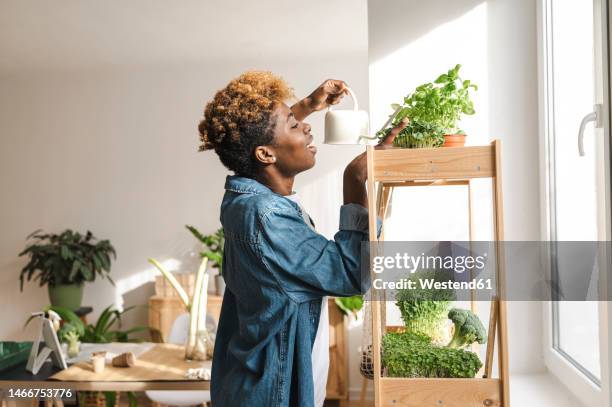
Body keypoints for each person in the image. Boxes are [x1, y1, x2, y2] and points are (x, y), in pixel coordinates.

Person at [198, 71, 408, 407]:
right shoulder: (266, 217)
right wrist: (355, 179)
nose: (306, 126)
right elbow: (351, 275)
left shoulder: (248, 197)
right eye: (294, 125)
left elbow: (260, 138)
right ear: (266, 155)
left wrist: (309, 105)